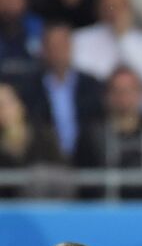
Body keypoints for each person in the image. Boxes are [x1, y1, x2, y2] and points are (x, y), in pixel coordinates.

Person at [19, 20, 103, 162]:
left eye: (62, 45)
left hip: (87, 161)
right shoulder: (30, 88)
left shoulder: (91, 85)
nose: (58, 51)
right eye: (53, 46)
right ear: (44, 49)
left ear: (71, 47)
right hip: (46, 162)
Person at [71, 0, 142, 87]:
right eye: (108, 4)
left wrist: (123, 38)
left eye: (118, 4)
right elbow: (79, 74)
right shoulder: (81, 38)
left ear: (128, 7)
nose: (113, 10)